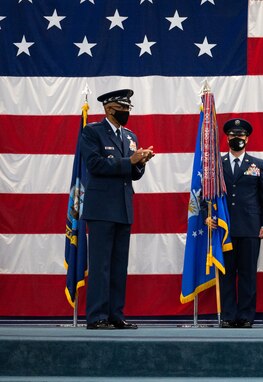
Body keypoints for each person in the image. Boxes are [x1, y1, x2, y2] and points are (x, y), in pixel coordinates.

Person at [80, 89, 154, 330]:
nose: (126, 113)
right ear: (109, 109)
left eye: (128, 109)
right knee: (100, 265)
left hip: (123, 206)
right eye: (122, 108)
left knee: (118, 265)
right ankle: (97, 316)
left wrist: (140, 163)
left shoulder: (129, 136)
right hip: (101, 208)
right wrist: (128, 161)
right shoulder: (92, 132)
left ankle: (115, 315)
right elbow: (95, 165)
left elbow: (132, 174)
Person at [206, 118, 263, 328]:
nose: (237, 138)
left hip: (250, 227)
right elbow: (206, 194)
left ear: (247, 138)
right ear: (227, 138)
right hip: (224, 228)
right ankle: (228, 315)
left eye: (241, 135)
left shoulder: (258, 164)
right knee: (226, 274)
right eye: (234, 135)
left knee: (247, 274)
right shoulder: (217, 164)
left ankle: (245, 316)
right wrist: (205, 216)